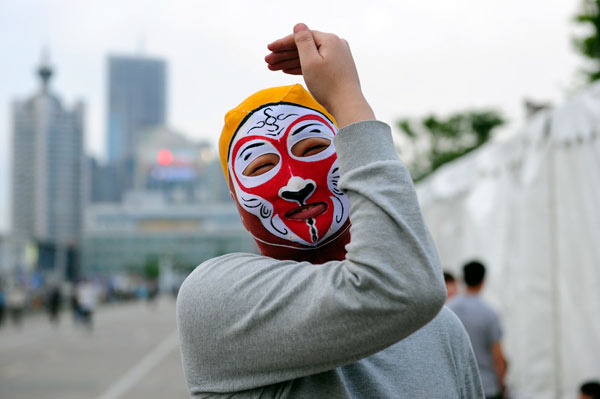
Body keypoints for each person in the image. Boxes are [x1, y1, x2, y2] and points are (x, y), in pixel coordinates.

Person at [177, 23, 483, 398]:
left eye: (311, 148)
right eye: (260, 167)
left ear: (349, 158)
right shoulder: (216, 301)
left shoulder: (441, 329)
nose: (295, 183)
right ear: (237, 196)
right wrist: (346, 96)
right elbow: (399, 286)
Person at [448, 261, 506, 399]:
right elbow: (497, 356)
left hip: (458, 387)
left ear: (463, 280)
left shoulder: (449, 310)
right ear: (483, 281)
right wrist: (502, 385)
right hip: (487, 387)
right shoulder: (489, 313)